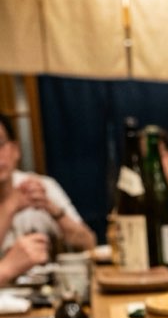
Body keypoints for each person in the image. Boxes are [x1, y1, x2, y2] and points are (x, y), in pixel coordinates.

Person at [0, 111, 96, 285]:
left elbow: (89, 243)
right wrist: (10, 207)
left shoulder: (40, 186)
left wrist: (54, 211)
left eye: (0, 144)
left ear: (15, 150)